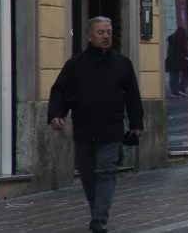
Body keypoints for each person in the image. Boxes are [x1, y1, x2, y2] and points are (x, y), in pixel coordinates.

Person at [48, 16, 143, 233]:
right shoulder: (75, 65)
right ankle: (96, 212)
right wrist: (56, 114)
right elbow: (60, 91)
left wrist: (137, 122)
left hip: (111, 128)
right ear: (90, 36)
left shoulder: (122, 63)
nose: (106, 36)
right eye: (101, 32)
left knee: (106, 170)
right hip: (84, 128)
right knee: (88, 174)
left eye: (108, 32)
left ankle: (99, 218)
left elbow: (132, 95)